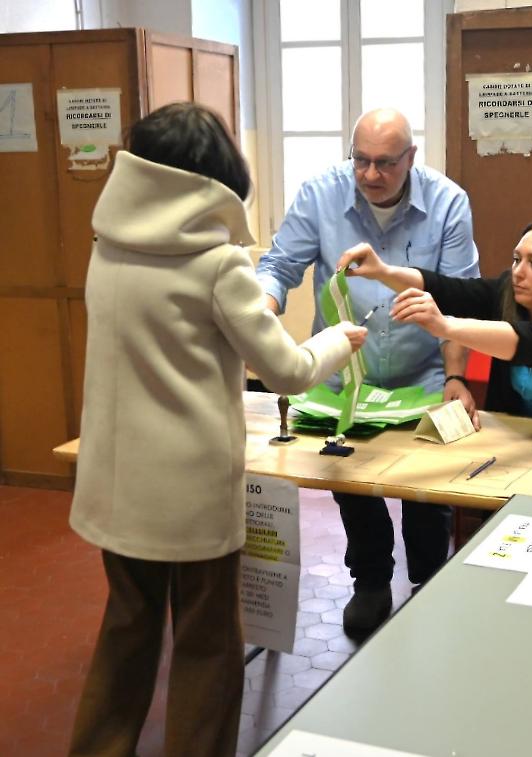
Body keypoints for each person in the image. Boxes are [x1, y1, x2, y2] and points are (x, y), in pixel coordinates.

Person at [68, 102, 367, 757]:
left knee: (125, 634)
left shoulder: (105, 245)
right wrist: (338, 339)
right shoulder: (219, 264)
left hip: (115, 487)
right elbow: (287, 370)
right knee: (207, 646)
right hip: (190, 494)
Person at [256, 108, 479, 634]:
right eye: (360, 160)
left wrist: (455, 377)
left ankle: (429, 583)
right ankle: (371, 580)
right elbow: (279, 266)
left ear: (411, 158)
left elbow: (459, 297)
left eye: (385, 163)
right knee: (350, 481)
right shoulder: (320, 194)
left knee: (427, 493)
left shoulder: (448, 203)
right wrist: (258, 315)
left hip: (422, 373)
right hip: (344, 376)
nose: (370, 174)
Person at [337, 217, 532, 424]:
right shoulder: (508, 292)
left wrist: (445, 326)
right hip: (531, 444)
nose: (518, 272)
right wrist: (382, 271)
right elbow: (446, 289)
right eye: (516, 259)